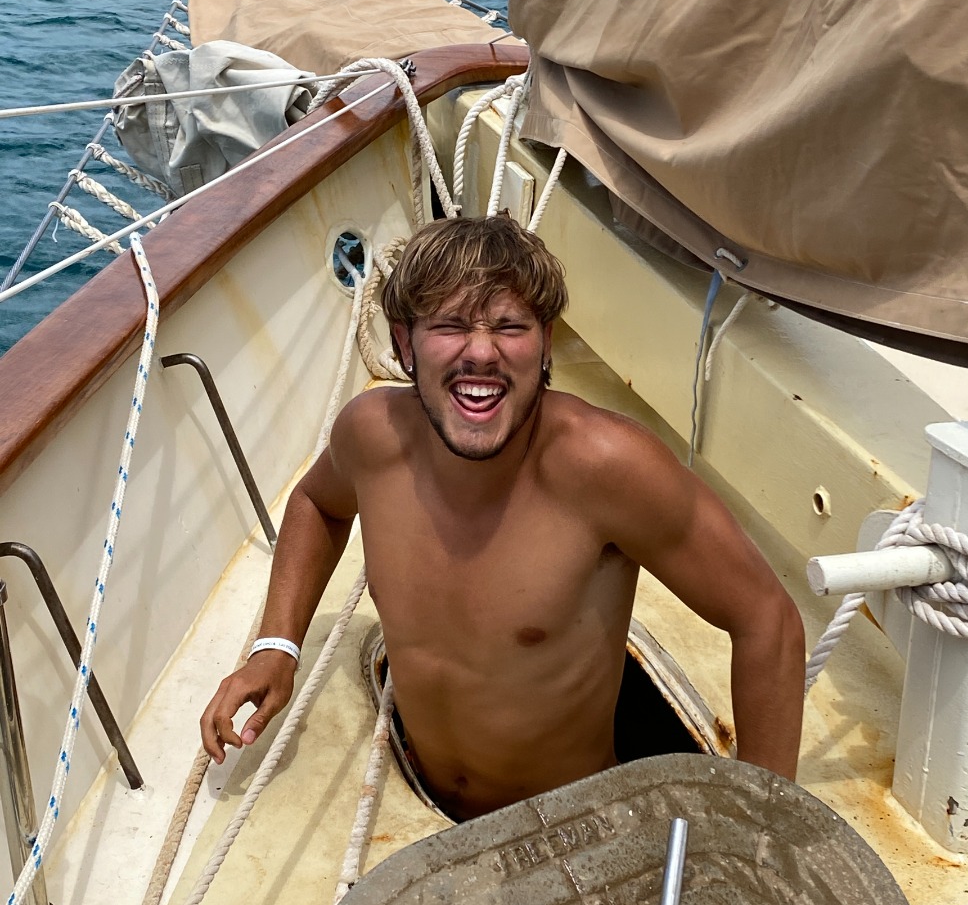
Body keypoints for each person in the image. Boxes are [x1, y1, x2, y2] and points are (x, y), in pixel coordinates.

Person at [201, 215, 805, 820]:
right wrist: (276, 646)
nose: (481, 353)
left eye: (510, 326)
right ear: (405, 344)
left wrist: (764, 823)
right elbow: (316, 504)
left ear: (545, 343)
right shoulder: (371, 438)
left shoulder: (606, 468)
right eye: (450, 325)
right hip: (422, 808)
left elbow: (766, 618)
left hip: (569, 826)